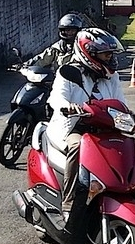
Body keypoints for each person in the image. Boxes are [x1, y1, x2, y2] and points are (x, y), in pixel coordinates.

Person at [46, 27, 127, 224]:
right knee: (77, 146)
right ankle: (69, 200)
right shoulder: (68, 73)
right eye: (106, 54)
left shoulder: (111, 76)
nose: (110, 58)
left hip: (104, 127)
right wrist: (68, 107)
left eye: (111, 54)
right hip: (75, 127)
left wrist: (130, 117)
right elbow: (56, 98)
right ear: (89, 53)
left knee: (126, 145)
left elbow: (120, 102)